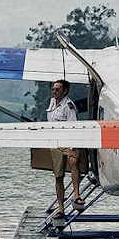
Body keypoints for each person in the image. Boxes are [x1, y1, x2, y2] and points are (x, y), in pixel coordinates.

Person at [47, 79, 85, 213]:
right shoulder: (52, 102)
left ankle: (77, 195)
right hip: (55, 142)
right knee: (58, 175)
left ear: (65, 91)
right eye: (53, 89)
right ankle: (61, 208)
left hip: (67, 141)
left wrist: (73, 148)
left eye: (57, 90)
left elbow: (73, 126)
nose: (54, 92)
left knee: (74, 162)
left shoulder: (69, 106)